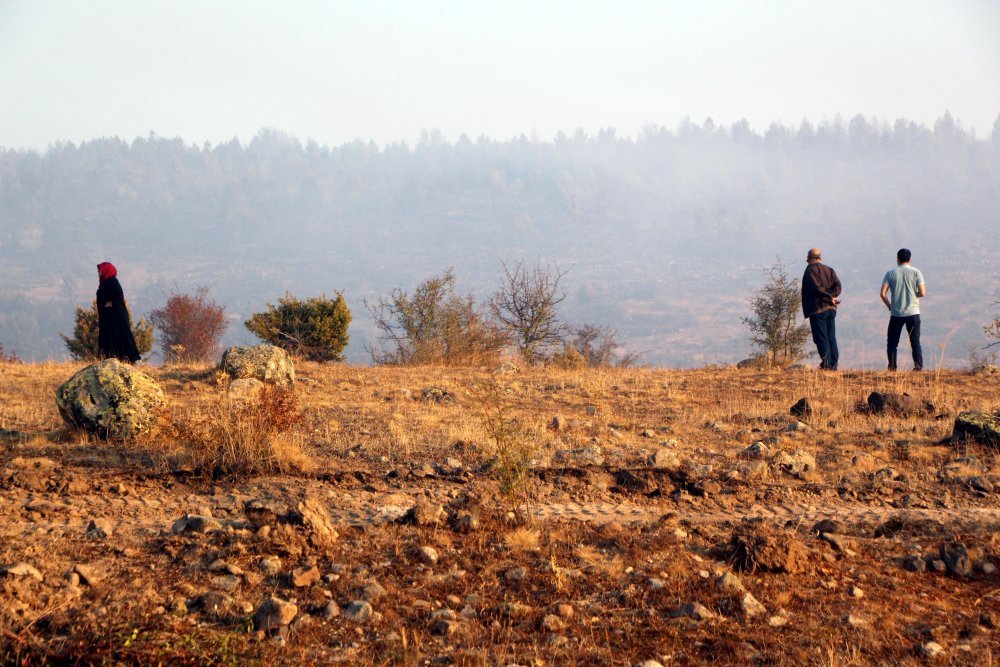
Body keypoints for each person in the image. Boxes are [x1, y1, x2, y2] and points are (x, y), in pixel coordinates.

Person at [880, 248, 925, 371]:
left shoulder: (890, 273)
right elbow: (923, 292)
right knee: (915, 342)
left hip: (896, 313)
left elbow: (883, 293)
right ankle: (918, 366)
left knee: (892, 343)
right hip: (913, 312)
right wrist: (913, 294)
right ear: (909, 259)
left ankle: (892, 367)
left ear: (897, 259)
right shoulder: (916, 272)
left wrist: (890, 305)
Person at [801, 248, 842, 370]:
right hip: (831, 309)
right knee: (831, 338)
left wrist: (829, 297)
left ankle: (827, 365)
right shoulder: (829, 270)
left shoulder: (810, 271)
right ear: (820, 257)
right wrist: (832, 297)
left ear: (809, 258)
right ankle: (833, 365)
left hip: (818, 309)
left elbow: (817, 288)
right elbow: (838, 286)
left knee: (821, 338)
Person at [96, 262, 141, 363]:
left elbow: (119, 298)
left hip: (117, 316)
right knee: (110, 337)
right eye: (98, 270)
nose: (98, 272)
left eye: (100, 270)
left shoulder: (112, 282)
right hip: (108, 317)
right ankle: (114, 359)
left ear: (106, 270)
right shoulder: (104, 283)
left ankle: (134, 359)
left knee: (123, 335)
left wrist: (111, 303)